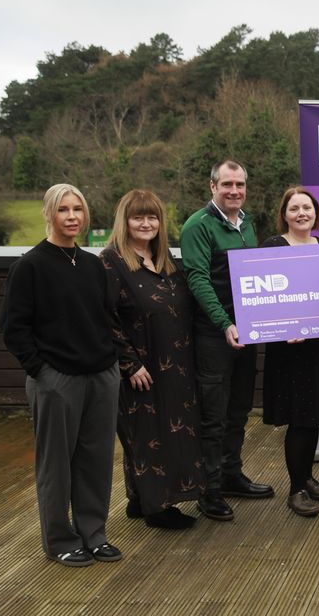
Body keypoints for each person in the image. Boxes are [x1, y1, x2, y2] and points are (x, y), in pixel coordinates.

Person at [1, 184, 122, 567]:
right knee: (56, 465)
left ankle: (93, 533)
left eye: (78, 210)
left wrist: (112, 364)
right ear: (49, 214)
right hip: (56, 380)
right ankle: (59, 539)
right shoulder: (30, 266)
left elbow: (105, 318)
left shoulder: (91, 264)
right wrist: (43, 373)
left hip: (101, 376)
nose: (72, 217)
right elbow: (14, 328)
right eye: (64, 210)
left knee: (96, 459)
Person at [102, 189, 206, 530]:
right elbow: (105, 318)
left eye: (152, 217)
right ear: (125, 221)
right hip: (141, 367)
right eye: (138, 217)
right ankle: (159, 508)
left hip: (176, 363)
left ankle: (139, 499)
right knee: (146, 436)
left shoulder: (166, 261)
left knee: (172, 434)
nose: (146, 224)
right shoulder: (111, 262)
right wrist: (129, 363)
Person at [180, 159, 274, 522]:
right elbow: (198, 280)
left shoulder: (247, 223)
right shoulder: (197, 226)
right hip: (214, 335)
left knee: (239, 410)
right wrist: (223, 323)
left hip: (247, 331)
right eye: (227, 185)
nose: (234, 191)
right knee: (213, 416)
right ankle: (209, 489)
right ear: (212, 186)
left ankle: (232, 475)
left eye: (240, 185)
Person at [261, 188, 319, 517]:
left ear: (316, 213)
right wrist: (285, 329)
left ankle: (307, 477)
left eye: (307, 207)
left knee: (313, 416)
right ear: (284, 213)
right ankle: (296, 489)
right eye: (294, 208)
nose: (302, 213)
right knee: (299, 419)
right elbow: (263, 293)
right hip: (292, 351)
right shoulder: (273, 247)